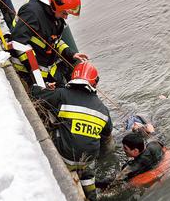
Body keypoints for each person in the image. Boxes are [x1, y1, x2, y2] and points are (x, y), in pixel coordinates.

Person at [31, 62, 114, 200]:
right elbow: (106, 133)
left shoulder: (62, 94)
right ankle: (92, 195)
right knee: (87, 172)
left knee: (57, 125)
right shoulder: (103, 109)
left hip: (65, 156)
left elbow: (36, 93)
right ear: (94, 84)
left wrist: (43, 87)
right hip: (89, 158)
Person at [10, 0, 88, 88]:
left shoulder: (55, 17)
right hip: (27, 69)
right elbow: (18, 43)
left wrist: (72, 54)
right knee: (57, 94)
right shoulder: (32, 13)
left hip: (47, 64)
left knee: (69, 84)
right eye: (64, 13)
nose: (66, 17)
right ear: (55, 6)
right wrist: (39, 79)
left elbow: (56, 41)